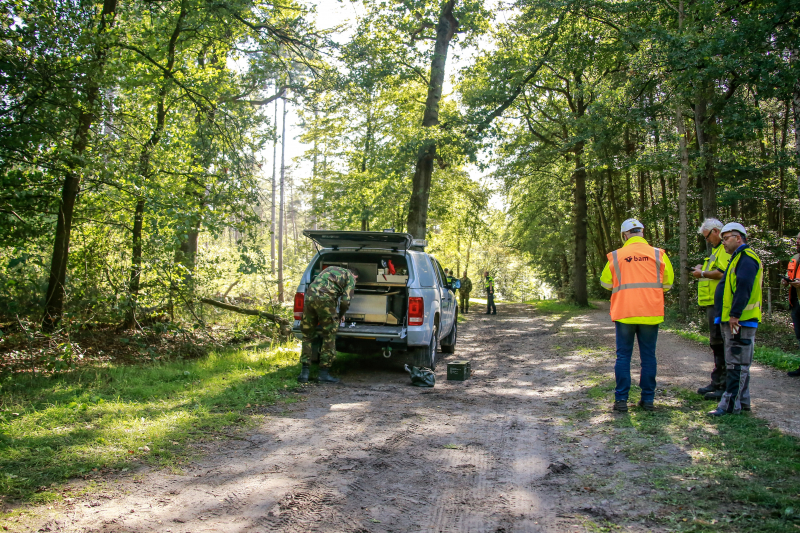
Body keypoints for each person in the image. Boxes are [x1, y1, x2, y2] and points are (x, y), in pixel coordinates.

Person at [600, 218, 674, 412]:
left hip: (625, 312)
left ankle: (621, 400)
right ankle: (648, 400)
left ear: (624, 235)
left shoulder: (617, 255)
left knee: (623, 356)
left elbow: (605, 283)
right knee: (648, 356)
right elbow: (668, 284)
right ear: (642, 232)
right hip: (650, 312)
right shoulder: (658, 254)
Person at [708, 223, 762, 416]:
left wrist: (735, 315)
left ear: (738, 238)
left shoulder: (746, 258)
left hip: (740, 321)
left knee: (736, 364)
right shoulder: (738, 258)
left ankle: (730, 405)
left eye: (726, 238)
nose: (723, 242)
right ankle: (742, 401)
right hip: (736, 320)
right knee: (737, 363)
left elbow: (744, 287)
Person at [691, 218, 731, 399]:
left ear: (716, 231)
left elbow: (723, 272)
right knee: (715, 343)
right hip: (713, 304)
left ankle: (724, 385)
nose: (706, 240)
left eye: (707, 236)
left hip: (721, 303)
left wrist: (702, 273)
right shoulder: (716, 251)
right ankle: (717, 381)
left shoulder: (725, 250)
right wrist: (701, 269)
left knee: (721, 343)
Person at [297, 265, 357, 384]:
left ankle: (304, 373)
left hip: (309, 297)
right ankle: (323, 374)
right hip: (326, 301)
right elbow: (345, 301)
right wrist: (340, 315)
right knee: (329, 336)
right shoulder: (350, 277)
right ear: (355, 275)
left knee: (307, 336)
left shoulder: (329, 269)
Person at [782, 232, 800, 377]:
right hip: (795, 303)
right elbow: (791, 275)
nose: (797, 241)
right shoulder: (795, 258)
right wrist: (786, 281)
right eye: (798, 238)